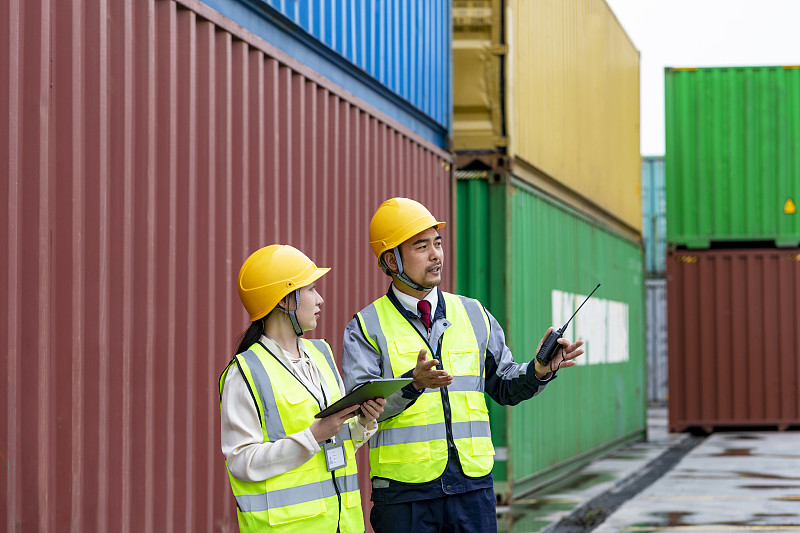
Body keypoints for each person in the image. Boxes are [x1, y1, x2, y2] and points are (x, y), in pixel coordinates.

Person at [342, 198, 585, 533]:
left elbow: (504, 385)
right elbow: (362, 409)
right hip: (404, 497)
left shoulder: (473, 314)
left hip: (473, 492)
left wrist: (539, 371)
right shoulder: (366, 326)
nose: (435, 255)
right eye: (421, 246)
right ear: (391, 259)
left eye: (437, 244)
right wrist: (413, 385)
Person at [220, 244, 385, 532]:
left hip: (344, 524)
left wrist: (364, 422)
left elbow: (337, 443)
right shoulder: (245, 372)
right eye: (310, 290)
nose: (320, 300)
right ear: (285, 300)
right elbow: (241, 461)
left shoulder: (321, 354)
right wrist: (312, 436)